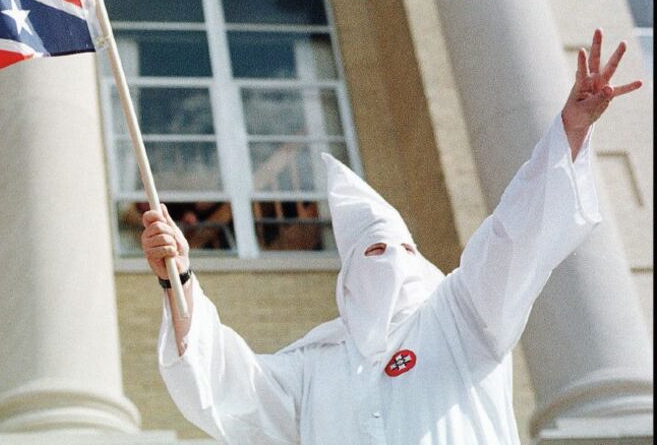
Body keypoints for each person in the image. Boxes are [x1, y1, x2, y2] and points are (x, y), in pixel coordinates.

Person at [140, 29, 643, 444]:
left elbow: (514, 237)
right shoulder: (312, 369)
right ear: (351, 276)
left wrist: (570, 131)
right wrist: (179, 278)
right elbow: (224, 384)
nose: (395, 263)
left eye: (406, 249)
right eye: (376, 251)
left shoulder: (462, 317)